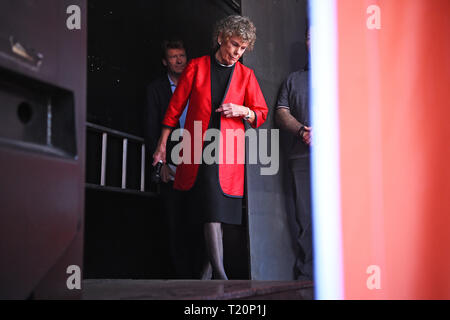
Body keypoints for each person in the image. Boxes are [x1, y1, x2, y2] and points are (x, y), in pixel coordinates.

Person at [152, 15, 268, 280]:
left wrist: (242, 110)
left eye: (242, 48)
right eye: (234, 45)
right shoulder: (196, 67)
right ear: (221, 39)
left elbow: (260, 114)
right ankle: (221, 276)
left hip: (227, 154)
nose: (237, 53)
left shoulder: (246, 76)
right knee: (212, 211)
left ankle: (205, 280)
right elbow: (174, 108)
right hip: (197, 149)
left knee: (216, 214)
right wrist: (161, 147)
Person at [144, 39, 199, 279]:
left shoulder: (196, 85)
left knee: (197, 221)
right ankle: (182, 279)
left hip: (197, 161)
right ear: (165, 61)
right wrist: (161, 164)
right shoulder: (156, 89)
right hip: (171, 164)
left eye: (182, 56)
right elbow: (151, 128)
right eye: (173, 57)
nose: (179, 60)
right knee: (174, 223)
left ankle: (199, 278)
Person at [275, 27, 313, 281]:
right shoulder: (294, 79)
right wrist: (302, 131)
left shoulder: (344, 76)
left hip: (341, 161)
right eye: (311, 37)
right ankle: (307, 278)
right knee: (306, 220)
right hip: (302, 159)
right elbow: (281, 113)